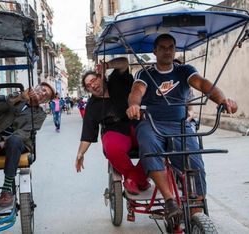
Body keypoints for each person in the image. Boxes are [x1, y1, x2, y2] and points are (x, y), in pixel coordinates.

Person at [126, 34, 238, 220]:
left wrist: (222, 99)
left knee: (195, 163)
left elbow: (203, 84)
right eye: (162, 47)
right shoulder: (145, 73)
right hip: (153, 124)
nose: (167, 51)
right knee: (148, 145)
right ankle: (169, 200)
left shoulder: (184, 70)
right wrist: (134, 105)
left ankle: (197, 213)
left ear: (175, 49)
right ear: (155, 51)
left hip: (180, 126)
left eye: (171, 47)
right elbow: (137, 90)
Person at [75, 57, 150, 195]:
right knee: (112, 149)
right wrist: (80, 154)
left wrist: (107, 65)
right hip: (115, 131)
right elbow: (87, 133)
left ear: (101, 77)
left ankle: (134, 179)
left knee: (155, 144)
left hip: (137, 123)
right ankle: (139, 179)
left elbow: (124, 63)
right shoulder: (92, 106)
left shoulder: (116, 80)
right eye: (88, 85)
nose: (93, 85)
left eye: (94, 80)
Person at [0, 82, 55, 207]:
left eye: (45, 94)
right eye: (42, 89)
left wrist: (0, 145)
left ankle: (6, 189)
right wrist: (20, 97)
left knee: (14, 140)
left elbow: (23, 133)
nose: (42, 93)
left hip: (18, 144)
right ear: (36, 87)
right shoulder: (17, 97)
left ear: (46, 100)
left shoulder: (40, 114)